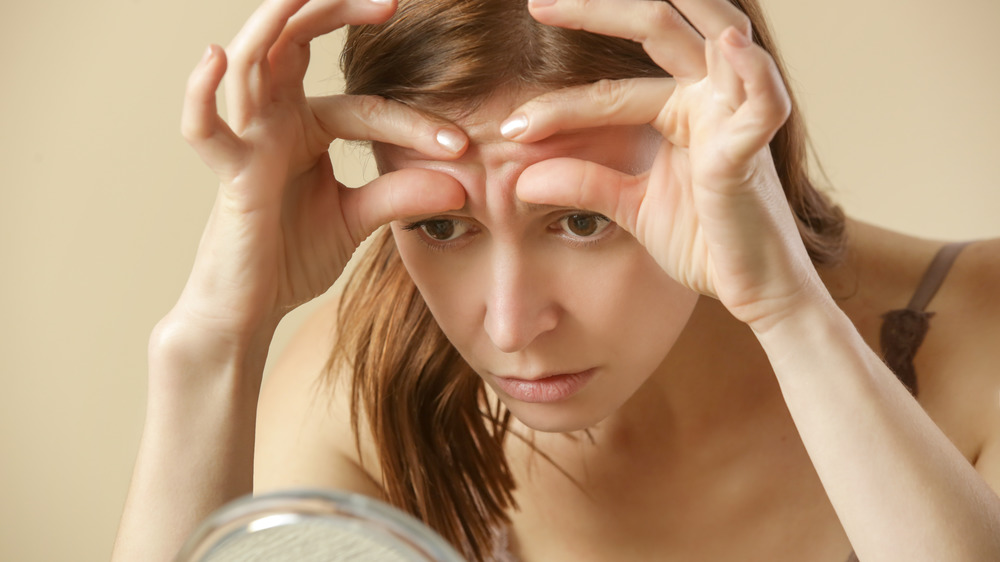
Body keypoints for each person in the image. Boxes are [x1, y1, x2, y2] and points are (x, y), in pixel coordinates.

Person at [112, 0, 1000, 560]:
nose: (509, 324)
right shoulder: (354, 390)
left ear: (733, 151)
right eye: (441, 225)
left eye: (582, 220)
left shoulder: (981, 333)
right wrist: (214, 342)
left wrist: (787, 310)